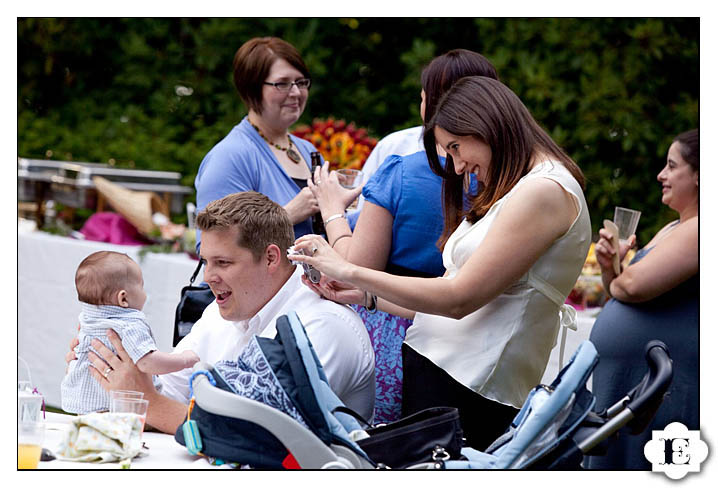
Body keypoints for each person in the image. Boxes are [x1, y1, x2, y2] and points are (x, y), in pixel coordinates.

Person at [291, 76, 592, 450]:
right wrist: (362, 296)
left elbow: (458, 299)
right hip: (442, 372)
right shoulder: (521, 184)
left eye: (455, 147)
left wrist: (347, 268)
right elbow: (446, 296)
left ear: (485, 124)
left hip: (473, 387)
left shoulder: (544, 190)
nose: (458, 164)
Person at [81, 191, 375, 434]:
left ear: (271, 257)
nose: (208, 277)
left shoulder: (323, 325)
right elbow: (171, 391)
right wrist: (109, 369)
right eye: (206, 261)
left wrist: (148, 401)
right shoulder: (223, 309)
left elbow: (257, 435)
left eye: (222, 262)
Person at [308, 49, 498, 423]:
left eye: (423, 96)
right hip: (474, 339)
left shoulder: (403, 172)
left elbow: (355, 267)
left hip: (392, 326)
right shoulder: (503, 179)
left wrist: (331, 209)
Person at [586, 129, 699, 470]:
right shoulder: (673, 228)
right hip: (636, 382)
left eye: (671, 166)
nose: (660, 175)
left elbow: (633, 288)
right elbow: (622, 289)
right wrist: (611, 267)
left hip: (663, 387)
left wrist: (620, 276)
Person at [194, 37, 323, 246]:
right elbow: (213, 244)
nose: (296, 92)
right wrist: (286, 216)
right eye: (282, 84)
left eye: (301, 82)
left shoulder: (308, 151)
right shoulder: (231, 156)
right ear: (251, 88)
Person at [61, 251, 199, 414]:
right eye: (142, 287)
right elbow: (147, 362)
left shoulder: (87, 321)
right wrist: (184, 360)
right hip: (118, 406)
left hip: (84, 402)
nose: (145, 294)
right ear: (123, 299)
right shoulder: (129, 325)